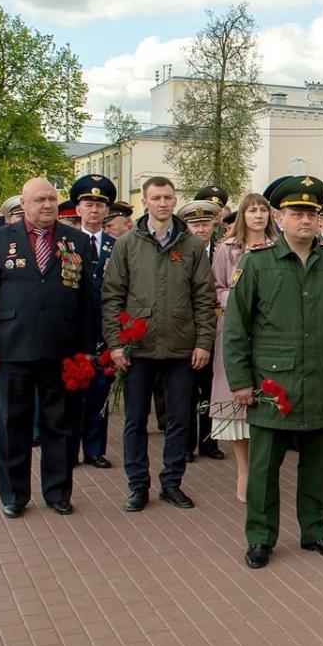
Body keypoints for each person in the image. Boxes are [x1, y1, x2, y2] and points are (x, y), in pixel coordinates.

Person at [222, 176, 323, 568]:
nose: (305, 220)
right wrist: (240, 382)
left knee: (317, 465)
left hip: (321, 378)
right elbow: (236, 327)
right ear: (278, 216)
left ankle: (315, 531)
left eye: (311, 213)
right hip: (272, 383)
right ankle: (260, 537)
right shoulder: (257, 262)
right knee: (264, 468)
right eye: (297, 212)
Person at [0, 177, 95, 517]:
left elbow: (88, 299)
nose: (47, 205)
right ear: (23, 203)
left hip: (63, 348)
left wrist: (86, 347)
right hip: (14, 347)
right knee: (13, 423)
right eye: (40, 199)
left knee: (61, 424)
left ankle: (57, 492)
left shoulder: (77, 241)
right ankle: (14, 495)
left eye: (52, 199)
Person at [101, 176, 216, 512]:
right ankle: (138, 485)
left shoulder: (191, 245)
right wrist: (116, 344)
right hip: (138, 349)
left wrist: (204, 342)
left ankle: (172, 483)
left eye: (168, 197)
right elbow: (112, 297)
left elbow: (204, 298)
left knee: (179, 420)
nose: (163, 203)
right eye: (156, 198)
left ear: (174, 199)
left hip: (181, 348)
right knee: (135, 421)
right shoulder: (127, 244)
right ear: (145, 202)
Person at [209, 192, 276, 504]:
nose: (259, 216)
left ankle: (264, 469)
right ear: (243, 216)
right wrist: (239, 301)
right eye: (252, 211)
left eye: (263, 210)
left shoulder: (279, 247)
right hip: (236, 328)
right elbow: (217, 288)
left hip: (271, 331)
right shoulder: (227, 248)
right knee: (237, 398)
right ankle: (244, 470)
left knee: (267, 398)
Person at [68, 175, 118, 468]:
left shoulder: (117, 245)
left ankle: (95, 449)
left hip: (103, 331)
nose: (94, 210)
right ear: (78, 208)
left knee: (100, 391)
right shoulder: (67, 244)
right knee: (73, 390)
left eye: (100, 204)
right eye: (88, 204)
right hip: (73, 331)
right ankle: (71, 447)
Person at [178, 199, 227, 464]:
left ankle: (210, 442)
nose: (201, 229)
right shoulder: (179, 253)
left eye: (205, 224)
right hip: (188, 330)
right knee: (187, 392)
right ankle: (186, 444)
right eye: (195, 224)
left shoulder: (222, 252)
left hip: (217, 329)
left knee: (211, 390)